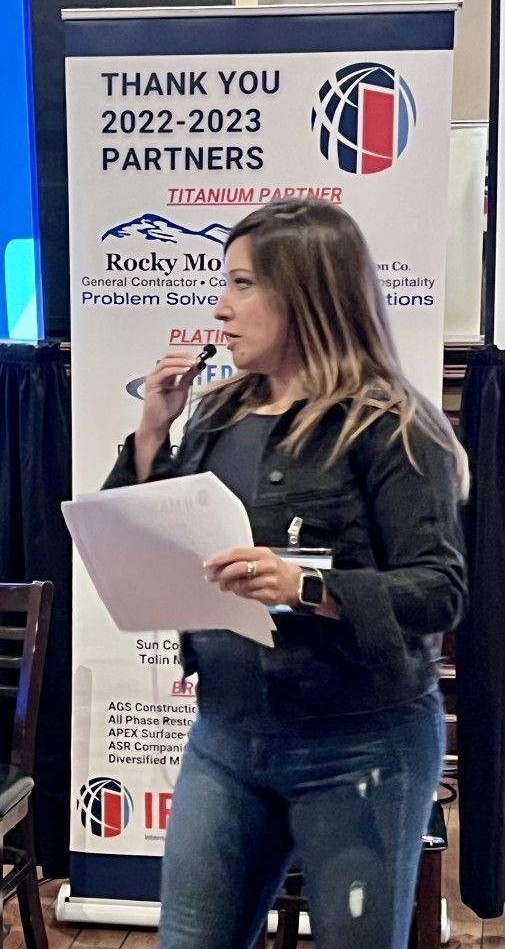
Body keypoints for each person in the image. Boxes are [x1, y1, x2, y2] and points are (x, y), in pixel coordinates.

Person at [103, 198, 468, 949]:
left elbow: (440, 590)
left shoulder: (392, 424)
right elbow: (147, 543)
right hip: (226, 735)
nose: (220, 309)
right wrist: (151, 435)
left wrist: (307, 588)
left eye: (241, 285)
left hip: (361, 744)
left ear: (306, 293)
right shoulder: (213, 415)